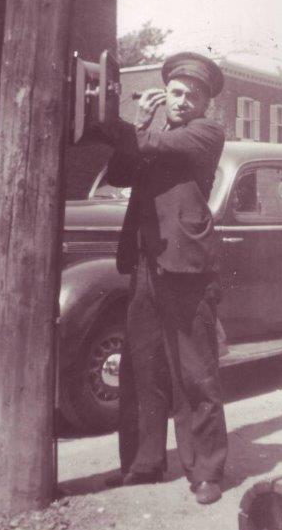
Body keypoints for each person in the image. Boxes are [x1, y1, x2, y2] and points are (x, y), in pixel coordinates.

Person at [97, 52, 227, 505]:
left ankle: (206, 471)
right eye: (176, 91)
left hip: (189, 269)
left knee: (196, 374)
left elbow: (149, 146)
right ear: (165, 93)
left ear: (206, 103)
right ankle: (143, 463)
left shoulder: (205, 134)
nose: (184, 100)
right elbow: (118, 172)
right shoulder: (152, 134)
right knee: (141, 368)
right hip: (145, 265)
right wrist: (134, 123)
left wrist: (119, 122)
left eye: (194, 95)